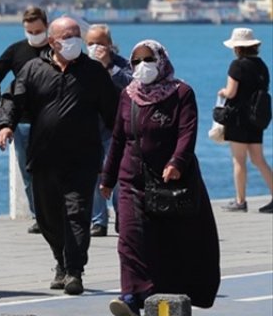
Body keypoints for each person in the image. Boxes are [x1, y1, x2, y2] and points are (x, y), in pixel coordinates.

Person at [0, 17, 119, 296]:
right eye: (68, 35)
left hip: (83, 158)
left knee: (77, 214)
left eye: (77, 34)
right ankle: (60, 262)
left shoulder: (94, 72)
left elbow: (113, 113)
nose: (75, 39)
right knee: (48, 216)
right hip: (43, 158)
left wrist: (122, 146)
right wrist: (5, 126)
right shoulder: (33, 69)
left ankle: (74, 271)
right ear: (53, 41)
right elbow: (13, 99)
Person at [102, 40, 220, 316]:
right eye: (136, 62)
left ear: (161, 60)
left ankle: (160, 294)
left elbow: (186, 132)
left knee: (169, 240)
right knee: (129, 238)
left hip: (171, 182)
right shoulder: (128, 95)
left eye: (148, 60)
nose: (142, 66)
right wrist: (108, 178)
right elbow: (119, 138)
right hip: (132, 179)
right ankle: (130, 296)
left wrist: (176, 162)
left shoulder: (181, 93)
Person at [0, 5, 49, 234]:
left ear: (47, 27)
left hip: (51, 122)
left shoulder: (56, 49)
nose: (34, 36)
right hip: (22, 122)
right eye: (29, 31)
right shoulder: (16, 51)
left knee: (53, 170)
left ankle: (56, 212)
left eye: (38, 31)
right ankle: (38, 217)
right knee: (28, 171)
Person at [216, 27, 273, 213]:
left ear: (237, 48)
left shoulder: (237, 65)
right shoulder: (262, 66)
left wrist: (222, 92)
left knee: (239, 160)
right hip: (257, 118)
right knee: (259, 160)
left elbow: (231, 92)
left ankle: (240, 201)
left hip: (238, 119)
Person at [87, 24, 133, 237]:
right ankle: (98, 221)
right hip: (89, 128)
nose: (95, 48)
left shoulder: (122, 65)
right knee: (92, 174)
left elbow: (133, 87)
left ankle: (121, 216)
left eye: (99, 44)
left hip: (115, 128)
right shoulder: (82, 65)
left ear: (110, 45)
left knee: (115, 174)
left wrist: (108, 66)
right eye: (90, 44)